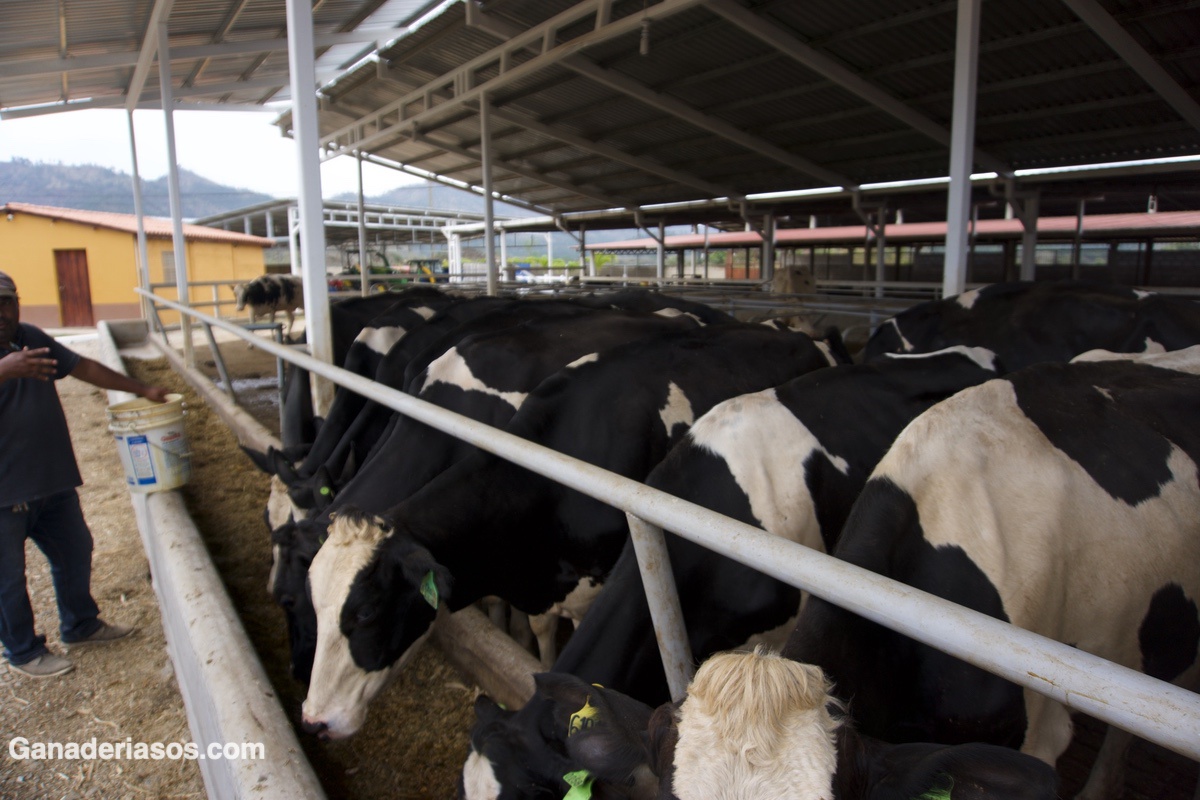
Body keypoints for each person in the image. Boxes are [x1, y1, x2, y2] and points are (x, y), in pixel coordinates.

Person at [0, 270, 170, 678]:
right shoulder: (14, 357)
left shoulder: (30, 337)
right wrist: (5, 369)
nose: (1, 312)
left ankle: (80, 624)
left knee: (76, 550)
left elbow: (84, 368)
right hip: (5, 493)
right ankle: (23, 651)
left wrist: (141, 389)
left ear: (17, 302)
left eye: (5, 302)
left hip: (52, 480)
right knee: (7, 579)